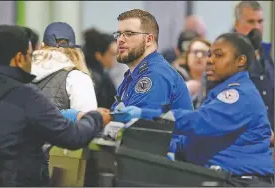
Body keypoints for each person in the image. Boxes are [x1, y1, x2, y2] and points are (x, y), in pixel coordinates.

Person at [112, 29, 274, 186]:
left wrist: (144, 114)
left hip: (243, 181)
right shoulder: (221, 92)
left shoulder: (240, 95)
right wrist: (167, 148)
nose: (210, 60)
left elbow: (200, 123)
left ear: (241, 61)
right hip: (226, 178)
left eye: (218, 55)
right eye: (210, 55)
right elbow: (200, 140)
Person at [0, 25, 111, 187]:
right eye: (30, 55)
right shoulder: (25, 94)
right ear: (19, 58)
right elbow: (73, 136)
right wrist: (96, 117)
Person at [111, 9, 193, 157]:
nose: (120, 40)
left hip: (164, 163)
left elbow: (140, 131)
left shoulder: (155, 75)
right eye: (118, 34)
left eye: (129, 34)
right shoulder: (132, 75)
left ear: (149, 39)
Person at [31, 22, 97, 112]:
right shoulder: (77, 78)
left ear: (42, 45)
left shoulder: (22, 72)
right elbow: (88, 121)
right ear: (75, 49)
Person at [233, 1, 274, 132]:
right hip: (245, 139)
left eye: (260, 21)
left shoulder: (266, 56)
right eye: (250, 22)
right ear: (237, 25)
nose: (256, 27)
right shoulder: (229, 58)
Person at [83, 28, 117, 109]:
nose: (116, 58)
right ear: (99, 55)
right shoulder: (96, 79)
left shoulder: (102, 75)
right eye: (112, 54)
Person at [177, 38, 211, 109]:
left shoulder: (217, 84)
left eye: (204, 53)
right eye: (195, 52)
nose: (199, 56)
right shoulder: (173, 78)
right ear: (187, 56)